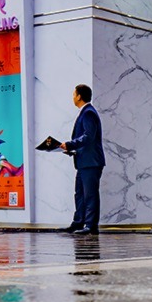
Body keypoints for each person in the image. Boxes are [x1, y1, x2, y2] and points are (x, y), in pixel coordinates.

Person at [60, 84, 105, 235]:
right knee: (79, 193)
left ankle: (91, 226)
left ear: (79, 96)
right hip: (83, 161)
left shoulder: (88, 113)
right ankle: (79, 222)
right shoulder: (85, 112)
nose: (73, 97)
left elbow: (89, 136)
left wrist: (71, 144)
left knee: (90, 194)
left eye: (74, 94)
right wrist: (72, 149)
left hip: (91, 162)